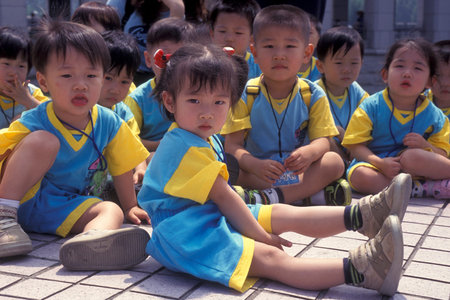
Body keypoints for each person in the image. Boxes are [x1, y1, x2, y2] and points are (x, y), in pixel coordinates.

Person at [137, 42, 411, 296]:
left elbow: (224, 199)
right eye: (195, 101)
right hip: (186, 234)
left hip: (203, 215)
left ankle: (364, 216)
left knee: (280, 211)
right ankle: (364, 269)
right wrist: (259, 235)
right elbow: (225, 197)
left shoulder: (197, 135)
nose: (207, 112)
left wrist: (255, 227)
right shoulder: (184, 147)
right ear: (170, 102)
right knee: (271, 258)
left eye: (219, 102)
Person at [0, 20, 151, 271]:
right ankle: (2, 220)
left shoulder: (109, 122)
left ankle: (88, 245)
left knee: (110, 210)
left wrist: (130, 206)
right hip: (20, 200)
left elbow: (123, 164)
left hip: (63, 205)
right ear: (44, 82)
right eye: (67, 75)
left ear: (102, 79)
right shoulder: (37, 119)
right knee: (44, 141)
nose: (81, 84)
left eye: (91, 75)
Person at [222, 5, 350, 205]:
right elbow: (233, 146)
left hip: (298, 172)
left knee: (333, 163)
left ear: (307, 53)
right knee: (225, 168)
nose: (279, 55)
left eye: (290, 46)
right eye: (270, 46)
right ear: (254, 52)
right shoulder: (246, 93)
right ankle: (308, 195)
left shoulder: (312, 94)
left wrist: (309, 153)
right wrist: (254, 164)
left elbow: (323, 141)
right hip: (260, 173)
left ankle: (267, 198)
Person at [342, 38, 450, 196]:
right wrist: (380, 163)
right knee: (359, 177)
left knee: (411, 157)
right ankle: (418, 189)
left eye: (418, 68)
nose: (407, 73)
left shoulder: (435, 115)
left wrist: (425, 145)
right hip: (376, 165)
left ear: (430, 82)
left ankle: (409, 188)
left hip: (415, 167)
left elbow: (442, 154)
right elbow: (354, 146)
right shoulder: (370, 106)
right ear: (385, 74)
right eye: (399, 66)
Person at [124, 17, 193, 152]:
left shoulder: (199, 92)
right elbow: (127, 140)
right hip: (153, 157)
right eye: (164, 57)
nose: (171, 64)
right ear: (149, 59)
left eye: (181, 58)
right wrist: (159, 145)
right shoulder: (138, 99)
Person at [99, 30, 147, 188]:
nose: (115, 89)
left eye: (124, 82)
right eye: (108, 78)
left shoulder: (123, 113)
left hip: (113, 180)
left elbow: (134, 145)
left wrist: (140, 168)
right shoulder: (80, 109)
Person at [315, 26, 368, 162]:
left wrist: (350, 139)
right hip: (324, 156)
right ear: (320, 66)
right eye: (339, 62)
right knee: (325, 138)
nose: (347, 70)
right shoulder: (312, 93)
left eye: (354, 63)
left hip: (352, 152)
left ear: (362, 63)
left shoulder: (359, 94)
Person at [107, 0, 185, 85]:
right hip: (126, 74)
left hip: (167, 77)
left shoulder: (191, 13)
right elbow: (104, 37)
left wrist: (177, 10)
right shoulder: (127, 3)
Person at [411, 40, 450, 198]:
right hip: (426, 161)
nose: (445, 83)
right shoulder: (418, 102)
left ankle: (426, 187)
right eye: (438, 76)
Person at [0, 26, 48, 129]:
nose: (13, 72)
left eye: (21, 66)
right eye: (6, 64)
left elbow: (56, 118)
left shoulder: (31, 92)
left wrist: (28, 100)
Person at [208, 0, 262, 80]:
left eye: (238, 33)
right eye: (222, 31)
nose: (229, 38)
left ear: (252, 38)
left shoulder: (259, 66)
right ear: (212, 34)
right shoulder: (205, 64)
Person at [297, 13, 322, 81]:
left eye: (309, 32)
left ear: (319, 38)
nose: (304, 36)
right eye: (298, 32)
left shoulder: (324, 68)